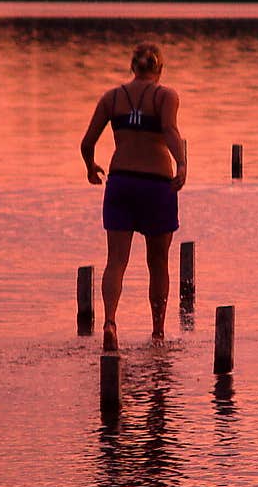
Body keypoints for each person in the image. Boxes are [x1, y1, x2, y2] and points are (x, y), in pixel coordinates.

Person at [80, 43, 187, 351]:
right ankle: (157, 333)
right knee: (158, 261)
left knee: (116, 261)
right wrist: (181, 164)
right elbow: (169, 131)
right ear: (160, 69)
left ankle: (110, 322)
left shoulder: (111, 98)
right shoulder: (166, 97)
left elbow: (87, 143)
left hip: (121, 182)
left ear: (132, 68)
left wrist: (90, 167)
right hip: (157, 185)